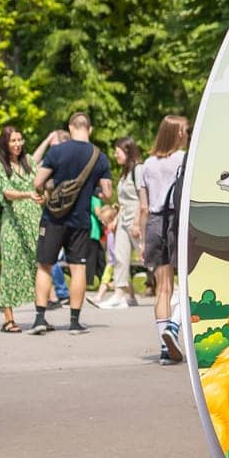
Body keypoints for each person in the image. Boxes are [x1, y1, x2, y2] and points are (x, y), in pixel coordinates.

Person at [31, 112, 114, 335]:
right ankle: (75, 322)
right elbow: (107, 193)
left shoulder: (57, 151)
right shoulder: (100, 157)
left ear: (70, 128)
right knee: (78, 268)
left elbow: (38, 181)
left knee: (45, 265)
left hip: (53, 218)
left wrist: (48, 189)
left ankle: (40, 318)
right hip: (81, 221)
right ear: (90, 129)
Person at [137, 114, 188, 363]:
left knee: (162, 289)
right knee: (187, 284)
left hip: (155, 224)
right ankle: (174, 327)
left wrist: (143, 242)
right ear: (178, 134)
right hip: (177, 222)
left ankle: (165, 349)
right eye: (185, 131)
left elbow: (144, 207)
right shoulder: (183, 159)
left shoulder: (145, 165)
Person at [0, 126, 49, 333]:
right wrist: (27, 195)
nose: (17, 144)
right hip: (13, 225)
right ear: (5, 144)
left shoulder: (30, 163)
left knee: (37, 267)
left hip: (34, 220)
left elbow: (39, 183)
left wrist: (43, 194)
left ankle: (40, 317)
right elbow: (6, 192)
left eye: (19, 140)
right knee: (10, 268)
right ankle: (8, 319)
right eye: (12, 141)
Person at [96, 137, 143, 309]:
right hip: (124, 220)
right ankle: (119, 294)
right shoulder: (125, 172)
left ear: (127, 151)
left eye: (118, 151)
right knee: (120, 257)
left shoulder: (138, 170)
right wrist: (116, 219)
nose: (115, 155)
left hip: (136, 220)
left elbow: (142, 199)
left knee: (149, 257)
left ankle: (172, 288)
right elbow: (123, 201)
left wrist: (138, 223)